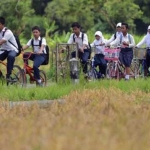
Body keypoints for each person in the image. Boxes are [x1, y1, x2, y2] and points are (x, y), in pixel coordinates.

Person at [0, 16, 19, 81]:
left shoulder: (8, 32)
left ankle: (8, 75)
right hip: (4, 50)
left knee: (10, 56)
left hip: (13, 49)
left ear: (2, 25)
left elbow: (2, 41)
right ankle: (1, 77)